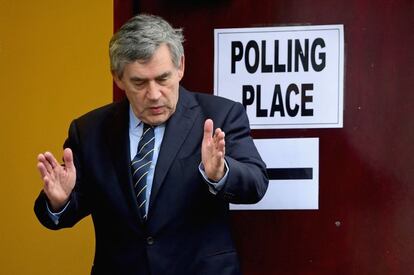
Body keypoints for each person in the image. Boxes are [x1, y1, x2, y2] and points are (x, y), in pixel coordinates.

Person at [34, 14, 268, 275]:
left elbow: (256, 183)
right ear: (118, 78)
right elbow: (65, 212)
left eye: (163, 78)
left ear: (180, 67)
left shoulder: (221, 115)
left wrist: (221, 173)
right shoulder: (90, 131)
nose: (154, 94)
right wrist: (59, 201)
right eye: (140, 82)